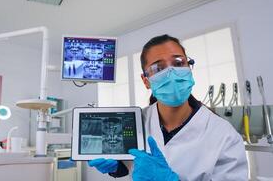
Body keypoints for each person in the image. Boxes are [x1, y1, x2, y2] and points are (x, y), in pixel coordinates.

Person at [88, 35, 248, 180]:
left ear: (189, 68)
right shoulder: (137, 120)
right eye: (158, 68)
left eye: (178, 63)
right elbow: (131, 164)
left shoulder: (224, 135)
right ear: (146, 81)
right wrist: (117, 167)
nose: (171, 72)